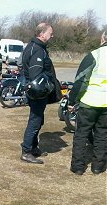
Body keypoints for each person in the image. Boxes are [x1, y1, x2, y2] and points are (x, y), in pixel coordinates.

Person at [20, 23, 62, 164]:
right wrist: (48, 86)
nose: (52, 35)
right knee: (35, 120)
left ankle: (33, 147)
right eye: (50, 33)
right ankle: (26, 151)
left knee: (38, 119)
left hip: (36, 92)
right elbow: (35, 75)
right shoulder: (37, 49)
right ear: (42, 34)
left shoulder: (34, 47)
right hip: (37, 93)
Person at [69, 31, 107, 175]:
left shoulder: (95, 55)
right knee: (102, 135)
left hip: (89, 102)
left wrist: (72, 100)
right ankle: (98, 166)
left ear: (103, 38)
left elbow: (81, 80)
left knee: (81, 134)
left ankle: (78, 166)